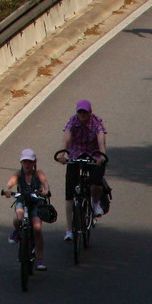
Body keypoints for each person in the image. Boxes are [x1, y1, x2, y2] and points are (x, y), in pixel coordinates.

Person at [61, 99, 109, 237]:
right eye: (80, 112)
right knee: (69, 193)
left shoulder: (96, 122)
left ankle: (95, 204)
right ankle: (69, 230)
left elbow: (101, 140)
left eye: (85, 112)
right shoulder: (72, 121)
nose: (82, 115)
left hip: (94, 154)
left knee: (96, 181)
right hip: (76, 154)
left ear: (90, 113)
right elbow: (66, 138)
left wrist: (102, 155)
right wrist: (62, 154)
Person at [2, 149, 52, 272]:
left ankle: (40, 259)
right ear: (21, 163)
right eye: (24, 162)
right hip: (23, 201)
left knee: (37, 228)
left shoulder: (38, 174)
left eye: (29, 162)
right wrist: (7, 189)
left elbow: (45, 183)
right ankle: (17, 231)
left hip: (35, 202)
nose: (27, 165)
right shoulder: (19, 174)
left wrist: (45, 190)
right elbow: (10, 183)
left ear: (34, 163)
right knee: (18, 218)